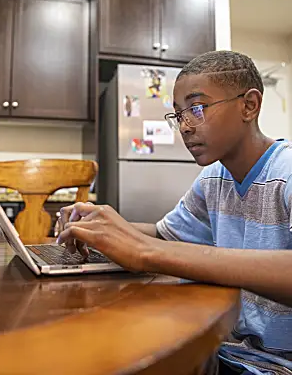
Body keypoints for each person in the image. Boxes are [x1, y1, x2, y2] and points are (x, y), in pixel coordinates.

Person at [57, 51, 292, 375]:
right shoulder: (213, 179)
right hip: (221, 351)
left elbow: (155, 248)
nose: (184, 126)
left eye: (197, 108)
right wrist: (101, 227)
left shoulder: (287, 171)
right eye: (178, 114)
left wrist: (148, 253)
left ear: (249, 105)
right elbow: (165, 235)